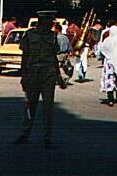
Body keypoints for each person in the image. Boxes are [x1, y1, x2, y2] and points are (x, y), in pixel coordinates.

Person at [15, 10, 59, 149]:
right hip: (33, 72)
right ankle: (24, 134)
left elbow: (54, 56)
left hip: (48, 73)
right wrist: (23, 76)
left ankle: (47, 137)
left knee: (48, 107)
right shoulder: (29, 35)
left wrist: (58, 75)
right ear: (42, 20)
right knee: (30, 104)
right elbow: (25, 56)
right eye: (50, 20)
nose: (52, 23)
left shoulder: (53, 36)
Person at [99, 26, 117, 107]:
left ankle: (110, 99)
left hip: (109, 63)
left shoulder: (106, 41)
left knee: (109, 80)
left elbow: (101, 51)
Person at [54, 23, 73, 88]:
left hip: (59, 54)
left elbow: (58, 47)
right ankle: (60, 79)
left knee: (57, 67)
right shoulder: (65, 37)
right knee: (62, 66)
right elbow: (69, 46)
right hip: (65, 54)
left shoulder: (57, 37)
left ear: (57, 29)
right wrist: (69, 53)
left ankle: (64, 77)